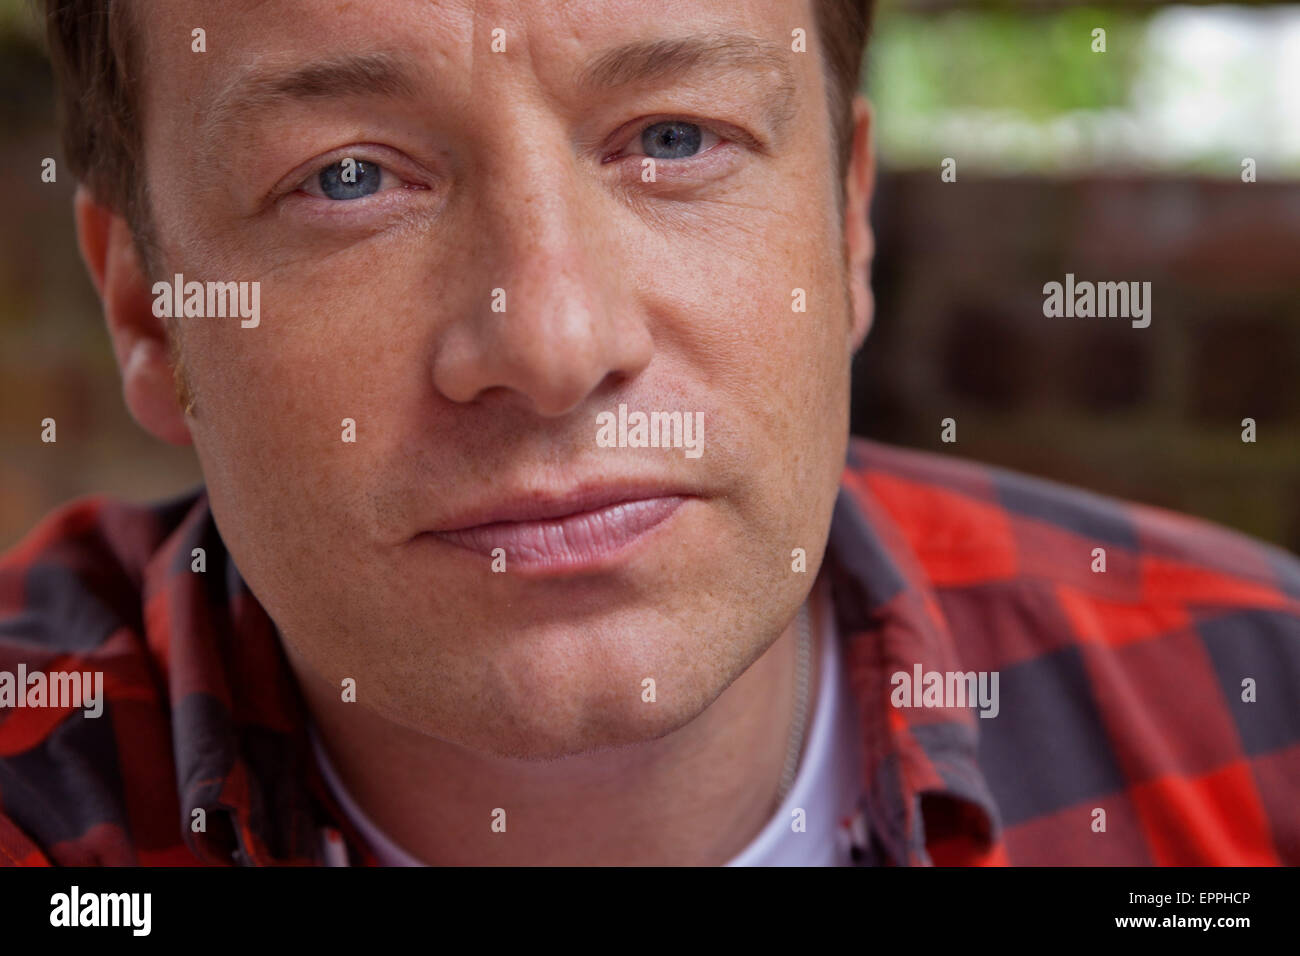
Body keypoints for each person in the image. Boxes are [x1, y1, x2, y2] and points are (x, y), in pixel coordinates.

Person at [1, 0, 1296, 867]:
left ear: (847, 224)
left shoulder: (1257, 708)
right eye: (347, 177)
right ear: (148, 310)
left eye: (675, 138)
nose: (553, 348)